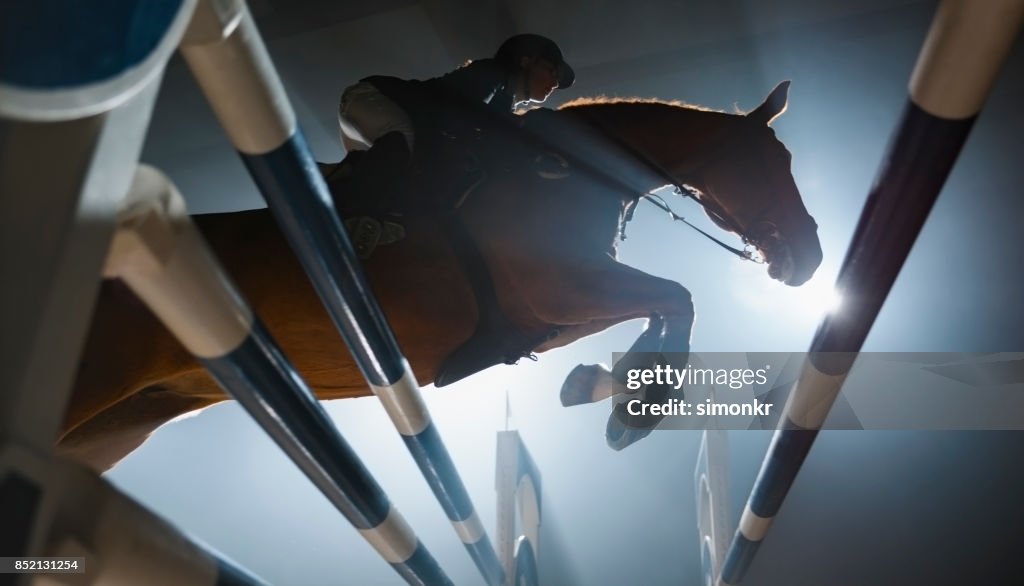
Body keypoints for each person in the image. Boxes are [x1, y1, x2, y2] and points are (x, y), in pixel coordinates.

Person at [329, 34, 575, 212]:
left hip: (383, 119)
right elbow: (457, 115)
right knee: (402, 139)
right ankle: (345, 209)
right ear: (525, 61)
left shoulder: (502, 99)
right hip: (373, 99)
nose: (554, 83)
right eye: (551, 71)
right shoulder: (491, 74)